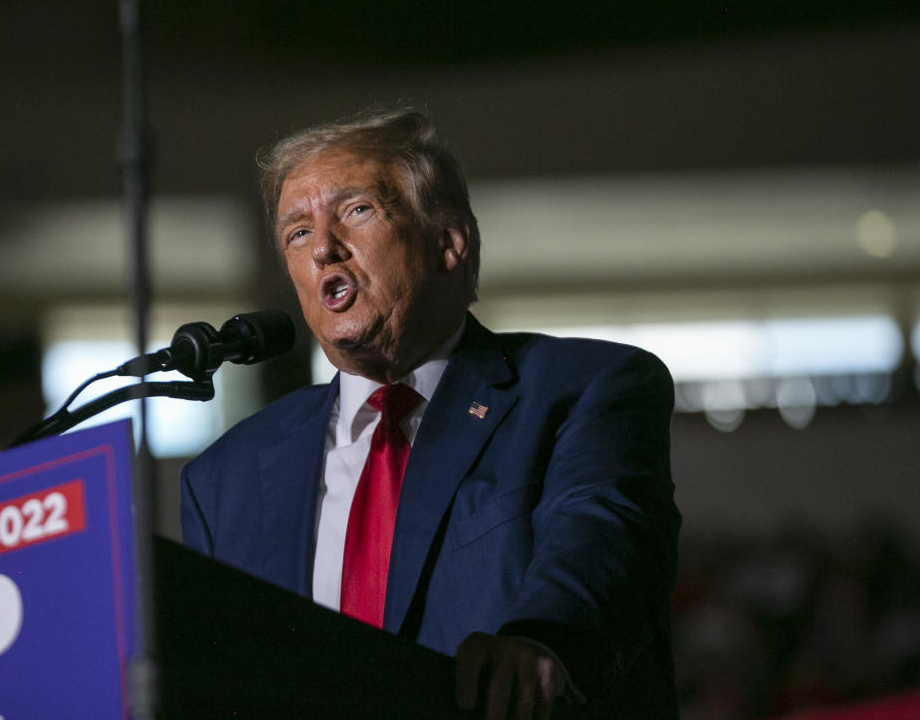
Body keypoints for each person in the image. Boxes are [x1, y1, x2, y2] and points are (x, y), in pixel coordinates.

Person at [180, 108, 680, 718]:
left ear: (449, 243)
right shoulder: (223, 477)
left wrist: (545, 641)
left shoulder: (581, 390)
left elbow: (601, 541)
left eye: (357, 210)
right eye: (298, 233)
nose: (324, 250)